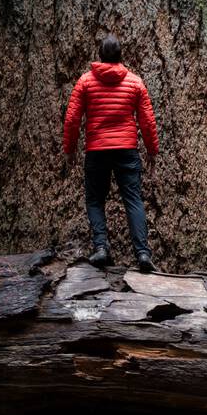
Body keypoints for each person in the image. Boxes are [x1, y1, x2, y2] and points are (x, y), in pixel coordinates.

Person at [62, 34, 160, 272]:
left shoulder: (85, 82)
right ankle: (143, 254)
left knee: (95, 200)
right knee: (133, 200)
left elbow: (72, 118)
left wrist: (70, 149)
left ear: (100, 54)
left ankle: (101, 247)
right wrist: (151, 149)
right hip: (127, 150)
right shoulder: (135, 83)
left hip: (97, 150)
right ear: (120, 55)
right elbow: (147, 120)